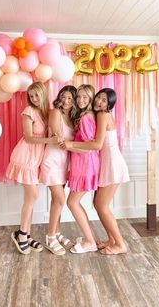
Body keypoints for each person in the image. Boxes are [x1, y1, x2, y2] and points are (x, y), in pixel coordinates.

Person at [62, 88, 129, 255]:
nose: (99, 102)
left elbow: (97, 145)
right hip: (106, 164)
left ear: (109, 104)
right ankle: (111, 240)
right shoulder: (97, 115)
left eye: (104, 100)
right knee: (99, 205)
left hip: (112, 164)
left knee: (102, 206)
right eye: (99, 98)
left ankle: (120, 244)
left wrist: (71, 144)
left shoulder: (102, 115)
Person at [6, 82, 58, 255]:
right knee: (32, 196)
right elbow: (28, 138)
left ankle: (26, 235)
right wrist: (49, 141)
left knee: (31, 197)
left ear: (43, 94)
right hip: (26, 155)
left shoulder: (47, 112)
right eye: (31, 96)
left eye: (37, 95)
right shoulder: (28, 112)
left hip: (37, 158)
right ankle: (21, 234)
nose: (34, 99)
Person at [39, 85, 77, 255]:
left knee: (57, 201)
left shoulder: (73, 117)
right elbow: (58, 138)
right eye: (63, 97)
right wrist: (77, 144)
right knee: (61, 199)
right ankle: (50, 237)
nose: (66, 101)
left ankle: (57, 233)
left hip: (64, 163)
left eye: (70, 98)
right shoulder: (55, 113)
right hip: (51, 161)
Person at [64, 84, 100, 254]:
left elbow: (90, 146)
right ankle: (89, 237)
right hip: (85, 164)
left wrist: (68, 146)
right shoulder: (87, 115)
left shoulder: (86, 117)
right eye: (78, 97)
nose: (80, 100)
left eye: (85, 97)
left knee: (72, 202)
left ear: (91, 98)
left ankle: (90, 241)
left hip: (85, 164)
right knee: (74, 202)